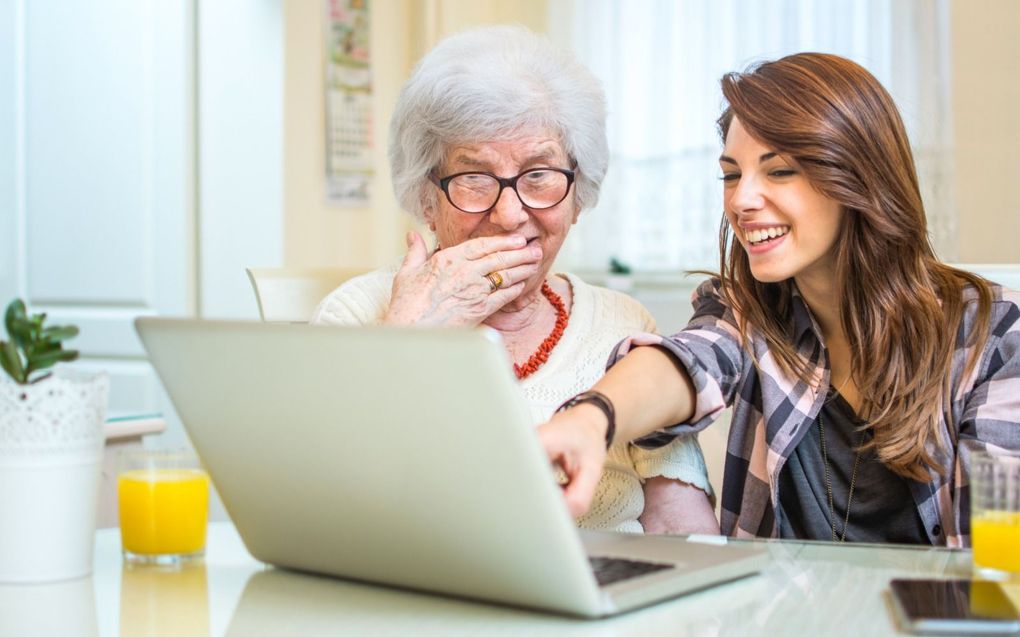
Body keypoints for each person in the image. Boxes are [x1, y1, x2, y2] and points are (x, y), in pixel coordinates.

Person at [540, 52, 1020, 546]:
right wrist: (590, 420)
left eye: (780, 171)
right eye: (731, 174)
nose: (742, 200)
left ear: (856, 176)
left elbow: (999, 569)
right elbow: (689, 360)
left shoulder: (997, 335)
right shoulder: (748, 311)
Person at [311, 26, 717, 535]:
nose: (509, 214)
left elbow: (685, 532)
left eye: (539, 175)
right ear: (426, 200)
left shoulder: (622, 322)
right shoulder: (354, 315)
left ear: (577, 196)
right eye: (474, 178)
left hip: (611, 596)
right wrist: (408, 337)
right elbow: (326, 517)